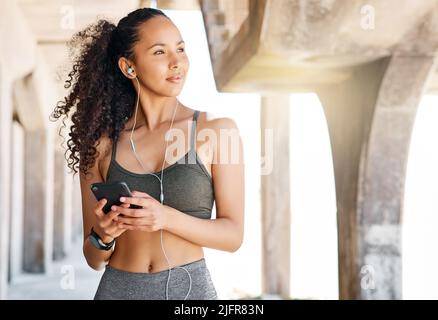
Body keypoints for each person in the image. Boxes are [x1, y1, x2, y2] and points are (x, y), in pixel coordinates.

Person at [50, 7, 244, 300]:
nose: (177, 62)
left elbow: (233, 236)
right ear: (129, 67)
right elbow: (93, 258)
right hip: (117, 290)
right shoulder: (100, 146)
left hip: (190, 292)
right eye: (159, 52)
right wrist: (102, 235)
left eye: (180, 49)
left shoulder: (217, 132)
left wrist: (164, 218)